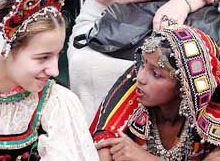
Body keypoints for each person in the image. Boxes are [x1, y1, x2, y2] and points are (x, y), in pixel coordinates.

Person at [0, 0, 99, 160]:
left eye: (57, 55)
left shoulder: (57, 103)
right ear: (4, 50)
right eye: (43, 57)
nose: (55, 70)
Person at [67, 0, 220, 124]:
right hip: (108, 23)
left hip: (198, 13)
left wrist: (184, 2)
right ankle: (100, 141)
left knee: (194, 69)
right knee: (93, 66)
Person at [90, 24, 220, 161]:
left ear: (185, 87)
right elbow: (103, 145)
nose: (140, 78)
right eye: (143, 64)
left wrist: (146, 158)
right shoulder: (132, 96)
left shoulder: (213, 119)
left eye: (156, 74)